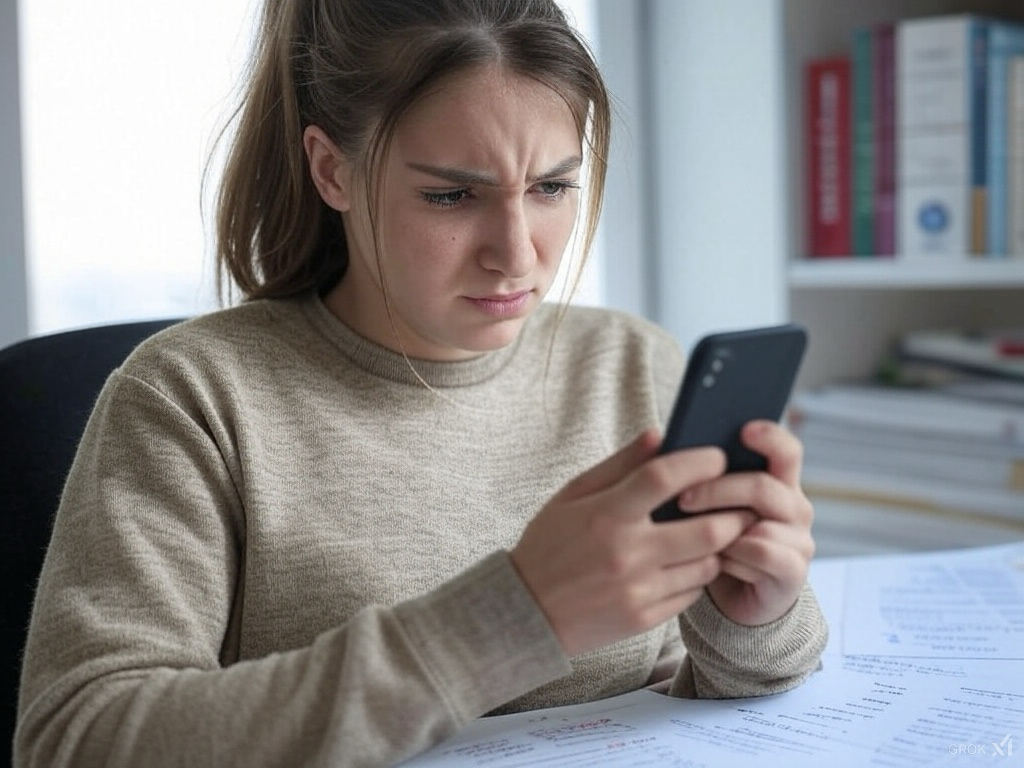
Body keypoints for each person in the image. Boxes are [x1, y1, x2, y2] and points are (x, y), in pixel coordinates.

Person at [14, 1, 828, 766]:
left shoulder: (630, 366)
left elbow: (700, 706)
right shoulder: (193, 399)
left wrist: (755, 623)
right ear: (331, 170)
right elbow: (74, 740)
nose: (516, 254)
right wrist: (514, 616)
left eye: (551, 187)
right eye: (450, 195)